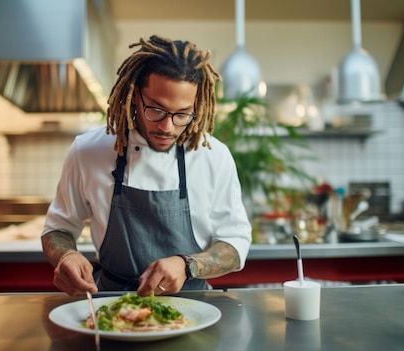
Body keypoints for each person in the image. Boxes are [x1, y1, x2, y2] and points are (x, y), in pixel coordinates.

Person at [41, 35, 252, 297]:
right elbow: (57, 229)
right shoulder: (87, 151)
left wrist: (188, 266)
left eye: (182, 114)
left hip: (194, 305)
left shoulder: (214, 157)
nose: (167, 127)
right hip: (111, 302)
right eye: (156, 109)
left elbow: (235, 242)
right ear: (134, 96)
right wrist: (66, 256)